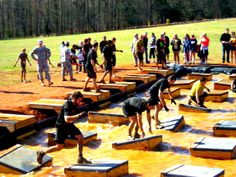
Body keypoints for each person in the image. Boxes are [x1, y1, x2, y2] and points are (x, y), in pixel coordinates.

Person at [36, 91, 91, 165]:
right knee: (59, 147)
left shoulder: (75, 103)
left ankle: (80, 157)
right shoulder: (68, 105)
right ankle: (42, 152)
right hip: (61, 126)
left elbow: (69, 121)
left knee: (80, 137)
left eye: (81, 100)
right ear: (74, 98)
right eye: (79, 100)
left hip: (69, 125)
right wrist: (78, 115)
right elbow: (67, 119)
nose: (80, 102)